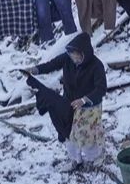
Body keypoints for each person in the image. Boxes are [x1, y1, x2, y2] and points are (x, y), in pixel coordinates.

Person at [26, 32, 107, 170]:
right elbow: (52, 64)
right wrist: (36, 70)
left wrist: (84, 100)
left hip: (89, 106)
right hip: (70, 101)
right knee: (68, 130)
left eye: (76, 54)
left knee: (86, 133)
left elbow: (101, 89)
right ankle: (75, 159)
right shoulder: (67, 59)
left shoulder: (96, 66)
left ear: (83, 53)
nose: (73, 57)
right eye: (71, 54)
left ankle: (94, 158)